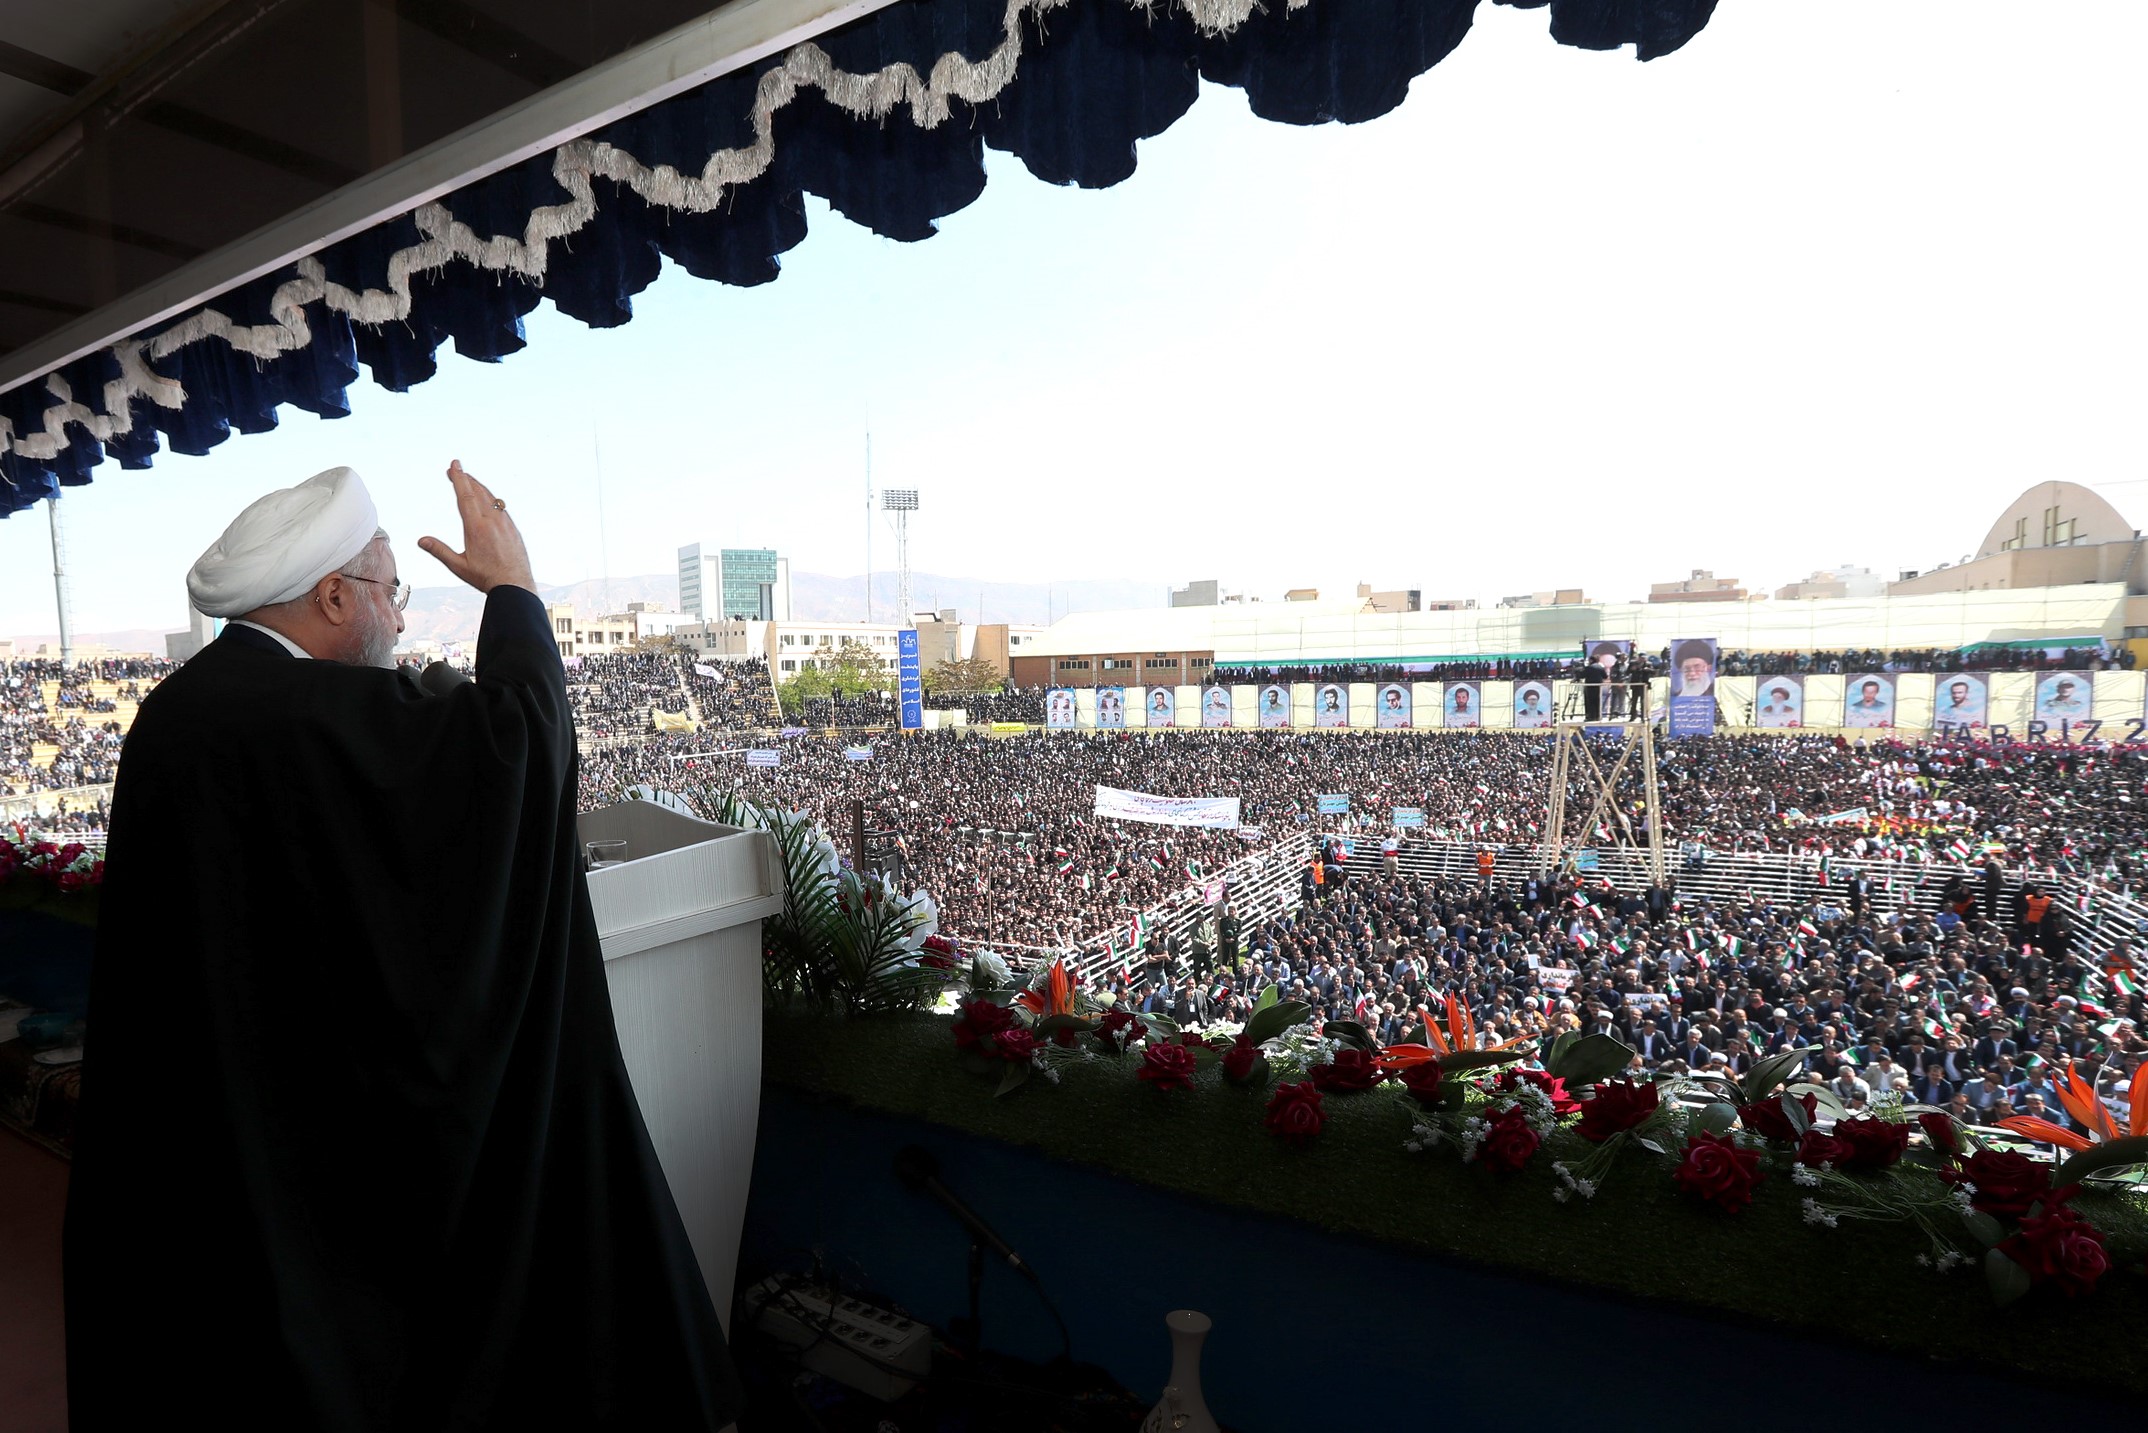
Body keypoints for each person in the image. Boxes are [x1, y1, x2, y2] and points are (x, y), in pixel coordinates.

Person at [66, 463, 740, 1429]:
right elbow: (517, 744)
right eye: (391, 590)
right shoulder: (302, 715)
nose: (398, 617)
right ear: (334, 595)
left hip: (205, 1162)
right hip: (323, 1192)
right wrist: (512, 591)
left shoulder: (178, 713)